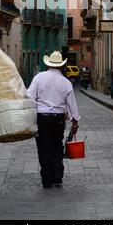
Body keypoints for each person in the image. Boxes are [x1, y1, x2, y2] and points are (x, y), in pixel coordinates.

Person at [27, 51, 80, 189]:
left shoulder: (39, 78)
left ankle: (46, 180)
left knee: (43, 147)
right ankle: (57, 177)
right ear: (61, 66)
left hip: (42, 117)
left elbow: (29, 96)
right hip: (58, 119)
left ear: (48, 64)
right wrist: (75, 121)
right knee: (57, 146)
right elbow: (72, 104)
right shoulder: (66, 82)